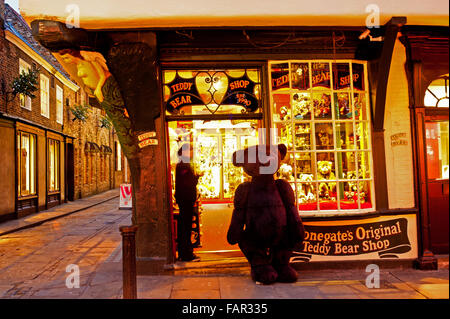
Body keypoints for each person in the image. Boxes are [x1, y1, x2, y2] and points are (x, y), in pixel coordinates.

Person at [175, 143, 201, 261]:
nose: (192, 152)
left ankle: (185, 252)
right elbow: (187, 183)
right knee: (185, 226)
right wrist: (196, 177)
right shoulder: (183, 165)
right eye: (190, 150)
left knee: (185, 226)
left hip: (185, 199)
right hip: (185, 199)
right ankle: (186, 254)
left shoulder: (183, 164)